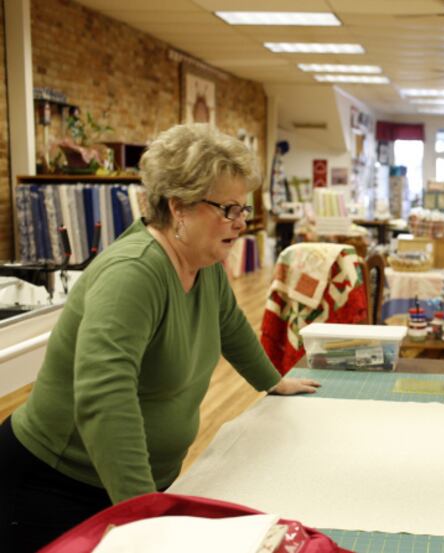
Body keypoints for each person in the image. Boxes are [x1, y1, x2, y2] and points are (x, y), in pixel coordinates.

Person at [0, 124, 320, 552]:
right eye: (228, 209)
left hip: (131, 483)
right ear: (178, 207)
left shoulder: (205, 264)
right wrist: (144, 512)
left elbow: (230, 327)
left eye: (242, 209)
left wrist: (272, 381)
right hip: (57, 485)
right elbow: (105, 396)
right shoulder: (133, 274)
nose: (240, 223)